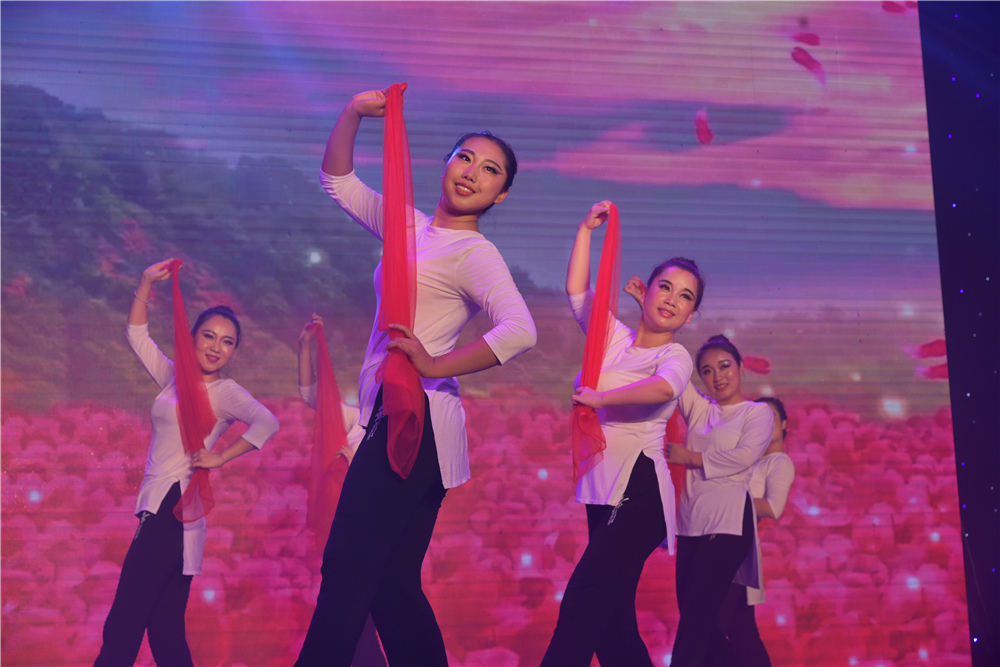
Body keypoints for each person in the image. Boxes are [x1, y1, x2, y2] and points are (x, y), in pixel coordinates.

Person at [295, 87, 537, 667]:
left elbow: (520, 330)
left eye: (490, 170)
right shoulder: (409, 227)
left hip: (415, 418)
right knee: (390, 585)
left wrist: (433, 364)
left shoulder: (475, 254)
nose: (471, 172)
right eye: (464, 157)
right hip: (398, 414)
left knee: (347, 567)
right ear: (446, 163)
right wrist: (353, 112)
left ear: (500, 194)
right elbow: (338, 182)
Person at [540, 201, 703, 667]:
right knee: (613, 628)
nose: (671, 299)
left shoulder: (674, 356)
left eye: (685, 297)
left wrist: (602, 398)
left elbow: (664, 389)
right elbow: (577, 291)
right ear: (646, 292)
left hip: (640, 492)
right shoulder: (612, 338)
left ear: (691, 315)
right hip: (601, 488)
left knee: (580, 607)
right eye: (665, 287)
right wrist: (586, 231)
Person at [94, 259, 280, 667]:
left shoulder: (226, 392)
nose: (216, 347)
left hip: (174, 507)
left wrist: (220, 457)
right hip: (170, 509)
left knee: (125, 622)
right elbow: (137, 335)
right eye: (209, 336)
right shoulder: (175, 378)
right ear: (191, 336)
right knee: (165, 631)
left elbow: (268, 421)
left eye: (227, 342)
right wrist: (146, 281)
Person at [665, 334, 774, 666]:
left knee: (696, 620)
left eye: (725, 366)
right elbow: (672, 369)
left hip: (729, 521)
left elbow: (744, 457)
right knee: (698, 620)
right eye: (707, 371)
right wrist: (657, 324)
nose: (718, 376)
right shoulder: (700, 410)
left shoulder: (757, 413)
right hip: (690, 523)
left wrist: (690, 457)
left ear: (741, 368)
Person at [297, 314, 385, 667]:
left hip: (373, 535)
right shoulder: (356, 420)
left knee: (361, 616)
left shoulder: (399, 431)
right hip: (344, 529)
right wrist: (307, 346)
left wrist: (357, 466)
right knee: (351, 618)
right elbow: (313, 396)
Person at [711, 396, 795, 667]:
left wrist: (727, 499)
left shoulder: (778, 463)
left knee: (711, 630)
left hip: (737, 552)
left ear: (784, 424)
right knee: (742, 634)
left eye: (771, 417)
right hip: (727, 548)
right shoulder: (749, 460)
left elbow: (773, 507)